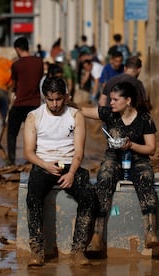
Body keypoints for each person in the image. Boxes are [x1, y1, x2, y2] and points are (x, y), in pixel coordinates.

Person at [23, 77, 95, 267]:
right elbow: (29, 152)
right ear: (44, 98)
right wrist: (45, 165)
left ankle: (79, 250)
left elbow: (79, 151)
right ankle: (37, 251)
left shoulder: (75, 115)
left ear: (66, 96)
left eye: (58, 99)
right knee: (32, 198)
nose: (54, 104)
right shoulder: (33, 117)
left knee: (88, 197)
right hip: (43, 164)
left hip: (69, 165)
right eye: (50, 100)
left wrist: (71, 173)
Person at [81, 81, 159, 255]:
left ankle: (150, 231)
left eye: (116, 99)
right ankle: (97, 235)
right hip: (114, 157)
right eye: (111, 99)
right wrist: (67, 102)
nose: (111, 103)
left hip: (138, 158)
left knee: (146, 176)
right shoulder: (109, 114)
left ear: (128, 100)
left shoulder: (144, 118)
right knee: (105, 175)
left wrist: (131, 145)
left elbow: (151, 149)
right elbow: (83, 111)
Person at [7, 36, 44, 165]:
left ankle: (11, 160)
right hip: (34, 104)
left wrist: (13, 92)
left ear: (17, 49)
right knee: (34, 133)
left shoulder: (16, 65)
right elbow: (38, 79)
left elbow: (14, 85)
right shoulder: (39, 62)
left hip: (20, 103)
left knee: (12, 133)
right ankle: (35, 160)